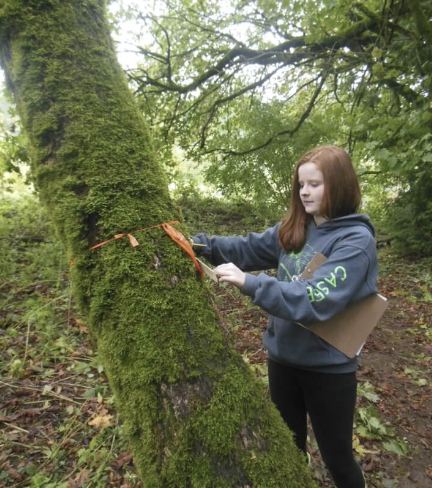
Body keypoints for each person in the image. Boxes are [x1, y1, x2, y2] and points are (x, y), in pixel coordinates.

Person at [192, 145, 376, 488]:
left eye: (315, 184)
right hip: (283, 359)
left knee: (337, 458)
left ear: (340, 184)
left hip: (328, 368)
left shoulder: (355, 241)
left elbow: (314, 299)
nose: (305, 191)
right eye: (301, 184)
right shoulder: (296, 227)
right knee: (287, 446)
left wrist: (251, 283)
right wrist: (201, 246)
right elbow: (247, 248)